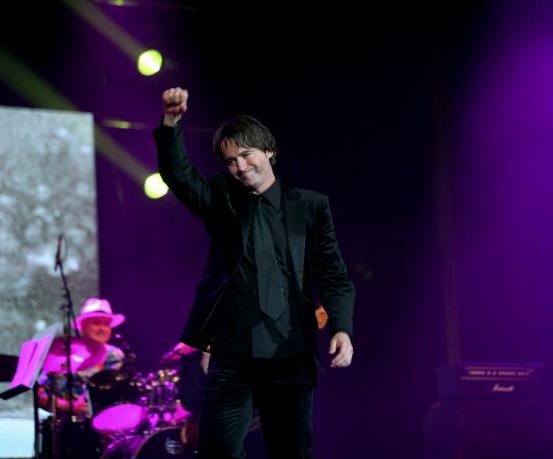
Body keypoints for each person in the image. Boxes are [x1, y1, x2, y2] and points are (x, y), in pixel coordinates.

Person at [154, 87, 355, 459]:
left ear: (269, 151)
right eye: (231, 161)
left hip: (291, 353)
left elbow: (333, 274)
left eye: (246, 155)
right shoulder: (221, 198)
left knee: (291, 451)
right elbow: (178, 175)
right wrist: (171, 122)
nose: (241, 167)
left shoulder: (310, 207)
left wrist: (341, 328)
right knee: (217, 450)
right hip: (234, 355)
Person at [37, 297, 126, 417]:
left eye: (106, 324)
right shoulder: (63, 352)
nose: (102, 328)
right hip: (67, 422)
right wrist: (67, 406)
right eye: (96, 323)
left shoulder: (115, 355)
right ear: (83, 326)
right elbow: (39, 394)